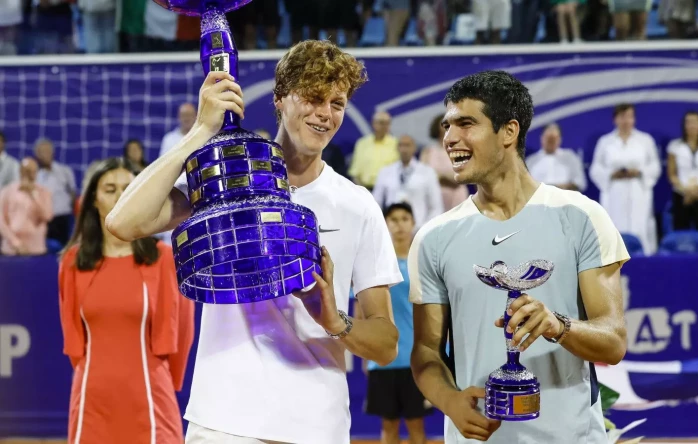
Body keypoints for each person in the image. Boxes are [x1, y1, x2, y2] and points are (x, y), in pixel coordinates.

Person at [106, 40, 402, 444]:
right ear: (280, 99)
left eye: (337, 103)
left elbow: (386, 345)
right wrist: (200, 131)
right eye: (313, 97)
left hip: (318, 426)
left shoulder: (357, 204)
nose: (325, 113)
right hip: (224, 421)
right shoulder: (225, 179)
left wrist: (335, 320)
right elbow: (122, 222)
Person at [409, 70, 629, 443]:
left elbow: (614, 341)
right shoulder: (433, 238)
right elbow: (427, 352)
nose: (449, 138)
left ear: (509, 132)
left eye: (466, 124)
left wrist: (558, 325)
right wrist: (449, 400)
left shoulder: (582, 216)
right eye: (447, 126)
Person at [58, 157, 194, 443]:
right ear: (93, 202)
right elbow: (73, 342)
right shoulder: (72, 262)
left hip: (151, 396)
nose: (120, 196)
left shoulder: (164, 259)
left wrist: (164, 383)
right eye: (110, 189)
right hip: (92, 400)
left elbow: (182, 333)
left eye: (129, 189)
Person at [358, 202, 431, 444]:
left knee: (416, 426)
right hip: (383, 360)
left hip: (415, 360)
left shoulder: (424, 265)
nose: (399, 225)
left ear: (413, 223)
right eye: (394, 219)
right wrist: (365, 353)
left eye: (404, 219)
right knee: (388, 427)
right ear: (386, 224)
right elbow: (361, 313)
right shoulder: (375, 264)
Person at [590, 104, 661, 255]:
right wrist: (611, 174)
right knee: (613, 226)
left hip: (638, 191)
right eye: (622, 117)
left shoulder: (645, 140)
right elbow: (596, 168)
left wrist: (639, 172)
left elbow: (655, 166)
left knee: (640, 225)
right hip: (614, 191)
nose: (626, 121)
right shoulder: (605, 141)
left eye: (629, 117)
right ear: (615, 119)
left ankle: (643, 256)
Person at [666, 111, 698, 236]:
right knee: (681, 234)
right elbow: (672, 174)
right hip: (682, 196)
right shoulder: (674, 146)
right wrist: (686, 192)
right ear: (684, 125)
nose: (692, 125)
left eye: (695, 122)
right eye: (688, 122)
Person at [0, 157, 53, 256]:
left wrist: (33, 194)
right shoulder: (7, 191)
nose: (29, 174)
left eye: (32, 171)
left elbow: (47, 216)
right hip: (11, 250)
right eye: (26, 171)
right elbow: (1, 221)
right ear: (20, 172)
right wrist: (16, 243)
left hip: (36, 248)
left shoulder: (44, 192)